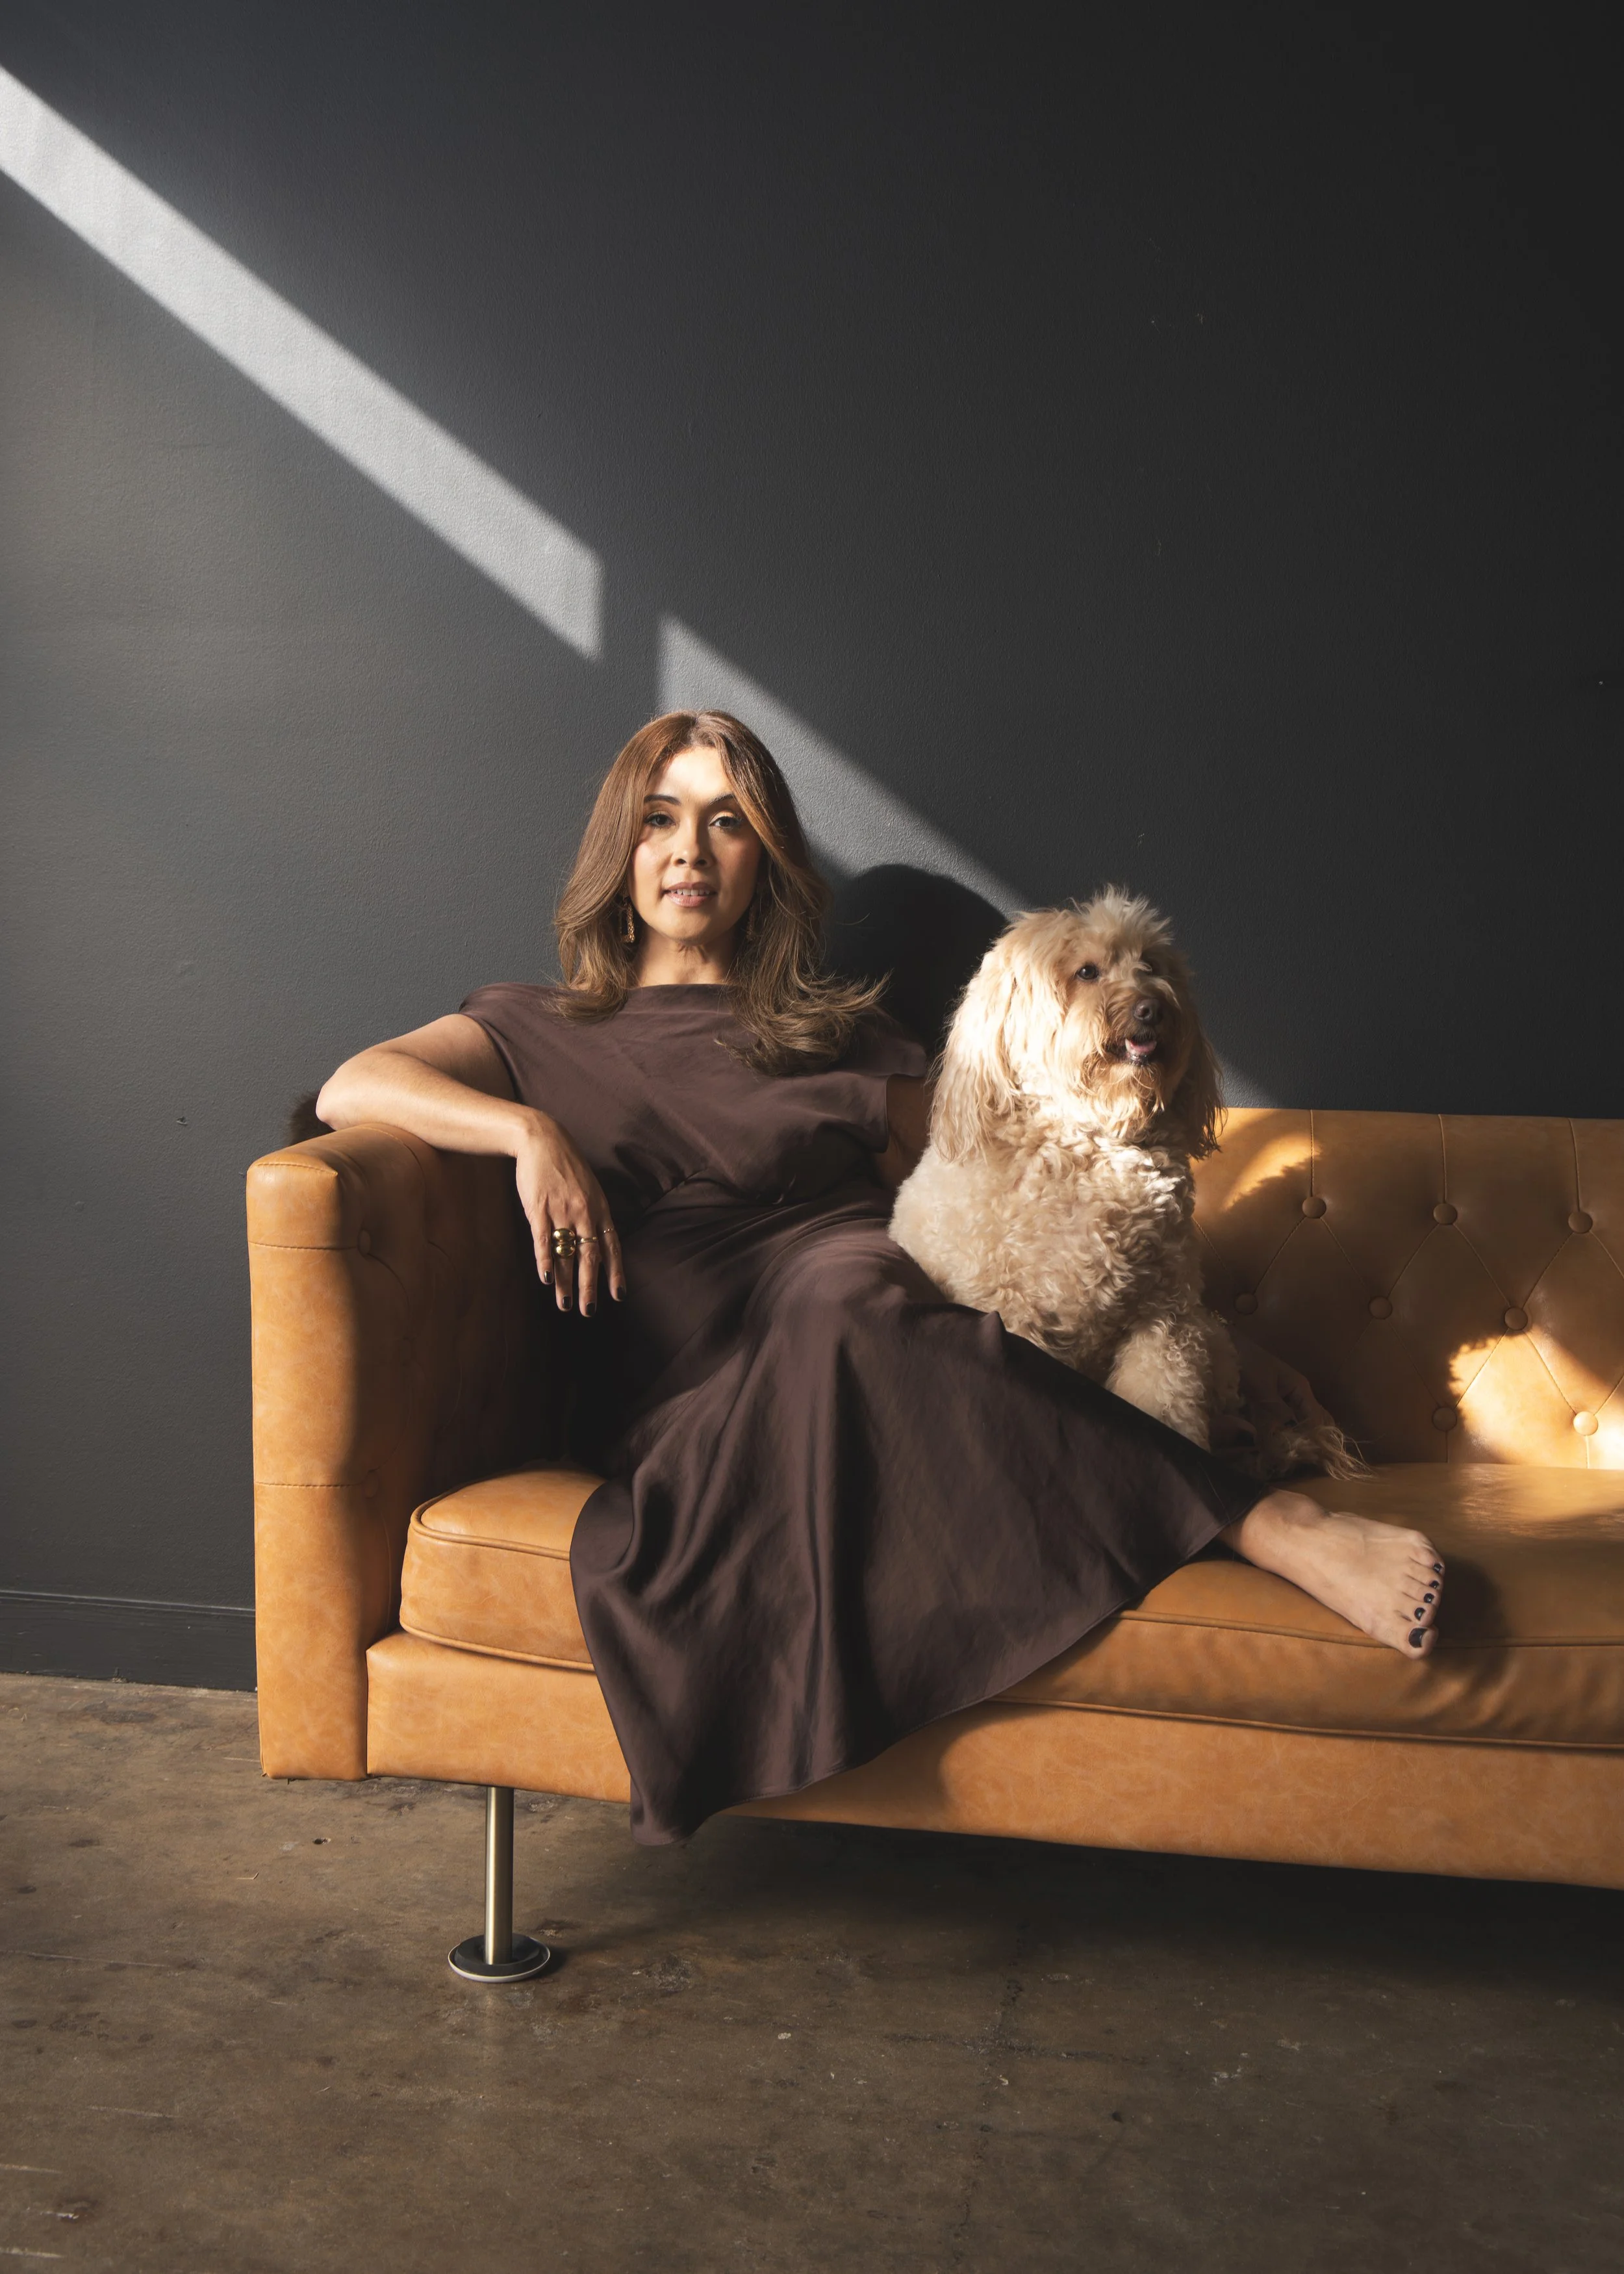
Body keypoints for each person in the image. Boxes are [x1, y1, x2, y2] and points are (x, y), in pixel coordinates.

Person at [316, 711, 1445, 1843]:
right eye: (660, 820)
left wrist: (1193, 1322)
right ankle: (1263, 1524)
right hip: (699, 1388)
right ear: (622, 846)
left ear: (767, 860)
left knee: (854, 1288)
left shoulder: (841, 1036)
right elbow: (354, 1086)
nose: (690, 853)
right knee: (845, 1304)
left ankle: (1262, 1522)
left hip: (870, 1304)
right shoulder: (535, 1026)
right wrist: (529, 1136)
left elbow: (1001, 1173)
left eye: (727, 824)